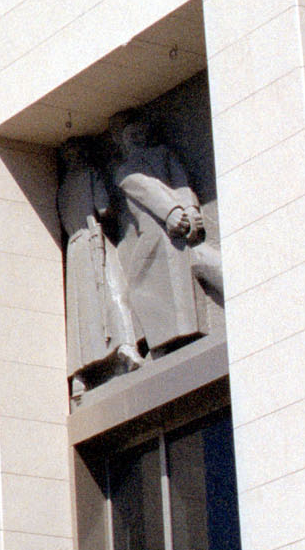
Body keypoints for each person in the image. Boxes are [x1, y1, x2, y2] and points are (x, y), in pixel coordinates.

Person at [108, 112, 223, 357]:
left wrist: (190, 210)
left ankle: (172, 339)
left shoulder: (163, 154)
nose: (137, 137)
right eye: (131, 134)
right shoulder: (125, 171)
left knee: (193, 271)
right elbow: (145, 189)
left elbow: (181, 182)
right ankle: (159, 343)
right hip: (156, 234)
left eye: (140, 131)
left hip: (178, 233)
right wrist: (172, 212)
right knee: (141, 287)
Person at [57, 137, 141, 398]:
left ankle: (79, 375)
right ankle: (126, 345)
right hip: (94, 239)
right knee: (116, 291)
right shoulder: (89, 174)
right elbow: (104, 208)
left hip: (74, 247)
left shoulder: (62, 189)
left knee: (82, 312)